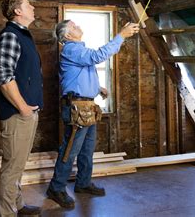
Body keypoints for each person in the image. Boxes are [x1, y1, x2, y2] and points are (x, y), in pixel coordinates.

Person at [46, 19, 139, 209]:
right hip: (77, 109)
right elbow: (97, 56)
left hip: (86, 107)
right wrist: (121, 35)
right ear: (67, 36)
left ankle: (83, 183)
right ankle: (56, 188)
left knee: (87, 150)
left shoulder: (78, 50)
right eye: (73, 26)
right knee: (70, 150)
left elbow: (79, 76)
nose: (78, 25)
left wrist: (97, 88)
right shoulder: (72, 48)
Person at [0, 0, 43, 217]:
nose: (33, 7)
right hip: (17, 113)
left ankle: (18, 206)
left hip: (27, 111)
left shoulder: (23, 35)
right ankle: (7, 213)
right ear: (18, 11)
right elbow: (4, 77)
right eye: (28, 5)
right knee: (12, 166)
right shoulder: (10, 36)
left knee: (19, 164)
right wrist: (23, 107)